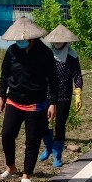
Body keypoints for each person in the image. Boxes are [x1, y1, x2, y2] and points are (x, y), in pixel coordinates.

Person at [0, 15, 57, 182]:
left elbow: (53, 79)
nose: (20, 42)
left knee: (32, 140)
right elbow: (4, 75)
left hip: (36, 103)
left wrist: (52, 103)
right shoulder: (12, 51)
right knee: (7, 134)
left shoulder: (45, 53)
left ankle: (26, 174)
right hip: (14, 100)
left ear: (32, 38)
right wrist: (1, 96)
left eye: (24, 39)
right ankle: (11, 167)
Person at [39, 24, 83, 169]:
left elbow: (77, 75)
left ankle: (57, 156)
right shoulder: (47, 55)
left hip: (64, 96)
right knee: (44, 123)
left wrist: (78, 93)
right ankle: (48, 147)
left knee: (59, 125)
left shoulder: (72, 56)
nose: (58, 43)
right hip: (46, 94)